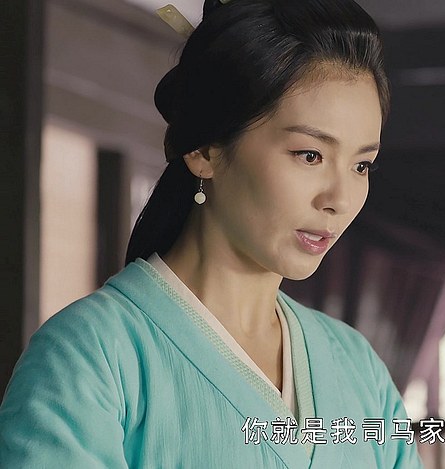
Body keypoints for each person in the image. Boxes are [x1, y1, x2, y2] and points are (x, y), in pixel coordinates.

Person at [0, 0, 423, 467]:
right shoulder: (91, 355)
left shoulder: (356, 365)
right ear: (205, 149)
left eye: (361, 165)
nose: (339, 198)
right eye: (310, 155)